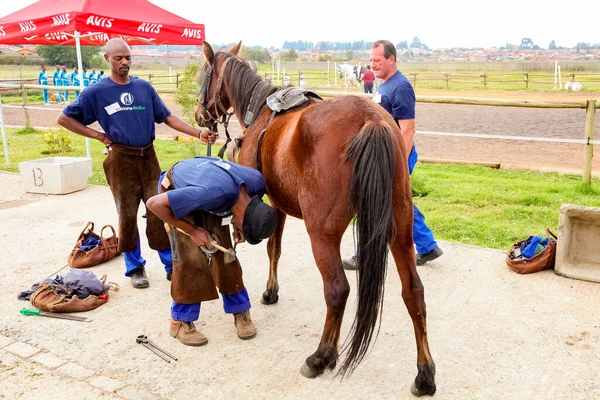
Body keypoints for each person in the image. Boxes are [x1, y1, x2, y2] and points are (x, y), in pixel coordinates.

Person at [58, 38, 215, 289]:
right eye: (118, 58)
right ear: (107, 59)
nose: (124, 62)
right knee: (127, 215)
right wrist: (98, 136)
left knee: (159, 210)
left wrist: (198, 133)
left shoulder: (144, 88)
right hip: (121, 160)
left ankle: (169, 263)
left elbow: (167, 117)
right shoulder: (97, 92)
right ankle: (135, 267)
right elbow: (64, 119)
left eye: (128, 58)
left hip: (148, 157)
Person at [147, 157, 278, 346]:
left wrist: (237, 225)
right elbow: (154, 204)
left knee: (226, 255)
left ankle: (240, 310)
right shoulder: (211, 194)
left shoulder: (257, 183)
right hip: (177, 189)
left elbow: (240, 206)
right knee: (189, 257)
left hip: (211, 191)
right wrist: (192, 231)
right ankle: (179, 322)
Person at [343, 40, 443, 270]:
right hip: (384, 155)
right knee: (397, 201)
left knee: (373, 200)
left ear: (391, 59)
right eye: (371, 60)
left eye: (377, 60)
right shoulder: (385, 84)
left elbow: (408, 128)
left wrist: (398, 161)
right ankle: (428, 246)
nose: (373, 65)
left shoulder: (401, 86)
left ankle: (365, 255)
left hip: (396, 155)